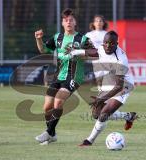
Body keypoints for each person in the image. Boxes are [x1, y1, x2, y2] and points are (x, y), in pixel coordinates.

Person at [34, 8, 97, 145]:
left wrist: (79, 52)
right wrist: (39, 39)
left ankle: (48, 133)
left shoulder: (82, 38)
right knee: (46, 107)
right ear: (62, 23)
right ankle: (52, 134)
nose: (68, 22)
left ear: (75, 23)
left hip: (74, 77)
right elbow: (43, 49)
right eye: (66, 20)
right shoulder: (58, 38)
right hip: (59, 76)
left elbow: (95, 53)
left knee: (58, 101)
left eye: (71, 20)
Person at [78, 31, 138, 146]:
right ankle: (129, 116)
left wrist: (101, 99)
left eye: (111, 43)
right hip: (108, 81)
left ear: (117, 43)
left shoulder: (121, 59)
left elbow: (118, 86)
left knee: (104, 114)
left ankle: (89, 140)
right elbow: (89, 52)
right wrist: (74, 52)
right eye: (105, 43)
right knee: (96, 114)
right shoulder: (101, 48)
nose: (108, 46)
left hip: (123, 85)